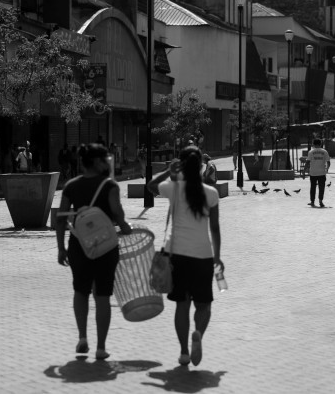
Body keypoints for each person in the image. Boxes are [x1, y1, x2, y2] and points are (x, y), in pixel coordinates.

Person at [147, 146, 222, 367]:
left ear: (181, 163)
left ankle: (183, 353)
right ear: (201, 165)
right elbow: (215, 228)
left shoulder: (173, 188)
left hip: (177, 255)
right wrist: (217, 256)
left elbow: (150, 187)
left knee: (182, 305)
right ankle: (198, 333)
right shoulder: (211, 192)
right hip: (203, 256)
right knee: (204, 305)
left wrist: (168, 171)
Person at [56, 144, 132, 360]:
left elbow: (61, 219)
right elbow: (118, 215)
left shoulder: (71, 186)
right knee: (102, 295)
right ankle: (100, 347)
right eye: (105, 159)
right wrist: (126, 227)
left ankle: (82, 338)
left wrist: (61, 248)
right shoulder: (109, 186)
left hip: (79, 246)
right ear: (97, 162)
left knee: (80, 291)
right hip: (106, 247)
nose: (108, 162)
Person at [305, 138, 331, 208]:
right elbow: (328, 162)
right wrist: (327, 169)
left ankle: (312, 201)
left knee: (313, 187)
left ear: (313, 144)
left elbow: (307, 162)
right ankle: (320, 201)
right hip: (322, 173)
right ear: (320, 144)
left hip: (313, 173)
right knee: (321, 188)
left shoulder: (311, 152)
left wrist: (304, 171)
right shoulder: (324, 152)